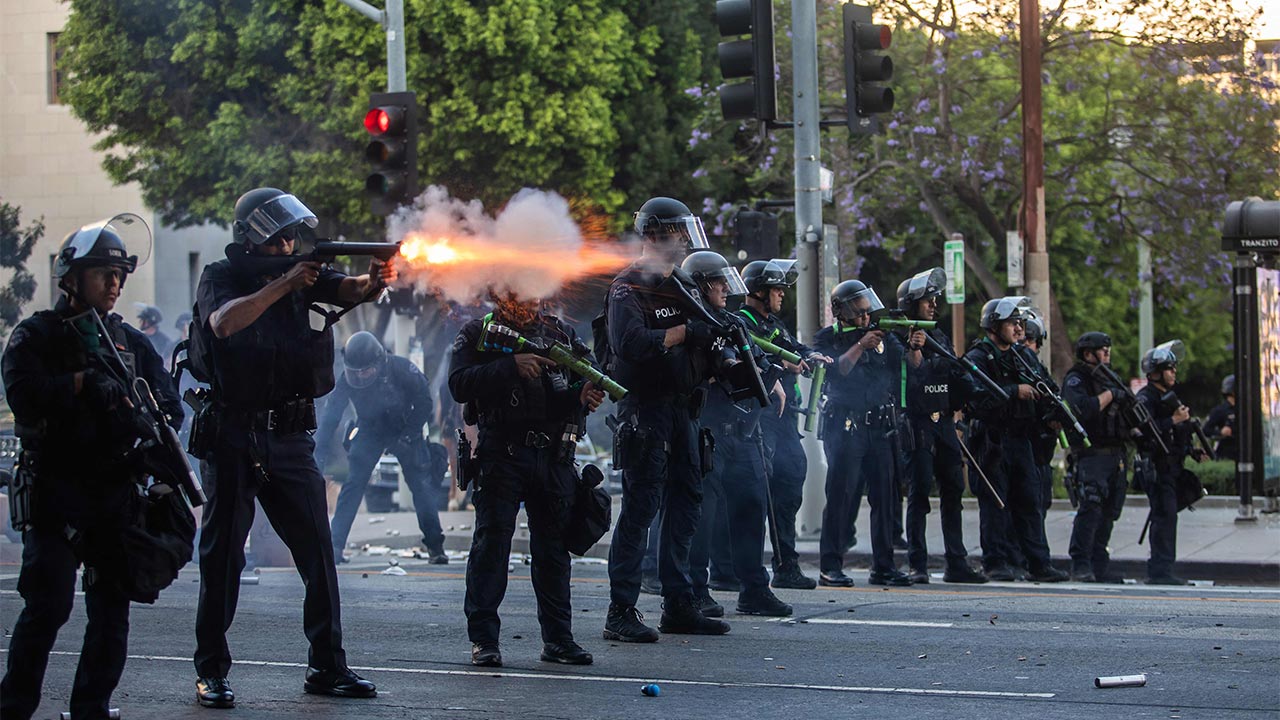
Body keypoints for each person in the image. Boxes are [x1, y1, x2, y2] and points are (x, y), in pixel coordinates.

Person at [192, 188, 391, 707]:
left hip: (288, 435)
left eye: (290, 236)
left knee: (318, 556)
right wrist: (282, 285)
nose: (288, 243)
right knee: (223, 560)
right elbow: (224, 323)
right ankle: (210, 671)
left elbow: (347, 288)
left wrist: (374, 281)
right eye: (279, 236)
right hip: (234, 433)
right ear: (254, 235)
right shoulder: (221, 276)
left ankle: (327, 666)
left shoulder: (303, 274)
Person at [1, 214, 184, 720]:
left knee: (111, 611)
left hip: (113, 496)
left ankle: (91, 708)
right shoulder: (37, 335)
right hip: (56, 494)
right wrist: (80, 385)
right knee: (48, 607)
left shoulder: (129, 342)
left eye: (120, 274)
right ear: (72, 276)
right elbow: (23, 394)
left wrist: (149, 420)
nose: (115, 283)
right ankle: (14, 707)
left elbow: (168, 404)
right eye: (104, 272)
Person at [449, 291, 604, 667]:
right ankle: (484, 640)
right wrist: (509, 367)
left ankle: (558, 639)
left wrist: (582, 396)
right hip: (503, 454)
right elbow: (459, 384)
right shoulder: (478, 332)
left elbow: (573, 386)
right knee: (492, 546)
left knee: (553, 552)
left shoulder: (561, 334)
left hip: (553, 456)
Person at [601, 196, 731, 642]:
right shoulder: (628, 287)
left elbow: (709, 336)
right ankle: (621, 610)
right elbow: (629, 344)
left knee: (687, 503)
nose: (683, 240)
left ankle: (679, 603)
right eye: (677, 232)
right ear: (656, 234)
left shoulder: (684, 286)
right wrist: (682, 334)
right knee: (641, 508)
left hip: (685, 412)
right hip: (647, 411)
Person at [683, 251, 792, 618]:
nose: (726, 288)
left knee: (752, 506)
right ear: (700, 287)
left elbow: (755, 361)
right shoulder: (692, 325)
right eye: (718, 282)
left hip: (743, 432)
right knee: (704, 517)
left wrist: (770, 379)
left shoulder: (730, 321)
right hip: (708, 433)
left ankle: (754, 590)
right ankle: (696, 591)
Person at [812, 280, 922, 587]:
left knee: (885, 498)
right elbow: (835, 370)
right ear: (841, 311)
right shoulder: (829, 338)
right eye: (858, 312)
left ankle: (884, 565)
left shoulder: (881, 336)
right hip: (846, 426)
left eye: (866, 311)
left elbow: (909, 366)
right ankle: (830, 564)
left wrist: (914, 347)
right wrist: (860, 345)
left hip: (880, 427)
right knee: (841, 496)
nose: (864, 317)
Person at [737, 259, 832, 590]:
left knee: (791, 484)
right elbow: (748, 361)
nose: (782, 295)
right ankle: (747, 573)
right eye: (777, 290)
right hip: (758, 421)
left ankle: (786, 564)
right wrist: (781, 364)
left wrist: (809, 355)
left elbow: (794, 347)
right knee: (757, 495)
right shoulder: (741, 323)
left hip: (785, 419)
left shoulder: (772, 322)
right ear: (759, 291)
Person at [963, 297, 1068, 583]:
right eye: (1012, 323)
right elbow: (975, 399)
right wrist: (1013, 391)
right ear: (994, 325)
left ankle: (1038, 563)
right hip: (992, 439)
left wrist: (1052, 413)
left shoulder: (1023, 356)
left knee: (1030, 501)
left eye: (1019, 323)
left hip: (1022, 439)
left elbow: (1045, 386)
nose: (1017, 328)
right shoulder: (979, 358)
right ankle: (995, 561)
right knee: (996, 504)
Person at [317, 331, 446, 564]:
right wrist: (318, 451)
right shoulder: (348, 380)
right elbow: (331, 414)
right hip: (370, 430)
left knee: (421, 486)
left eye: (365, 371)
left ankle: (436, 547)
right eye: (354, 372)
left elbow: (425, 401)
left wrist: (410, 433)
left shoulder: (402, 369)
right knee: (354, 484)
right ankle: (334, 546)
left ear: (379, 362)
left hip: (405, 429)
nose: (360, 376)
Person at [895, 268, 988, 585]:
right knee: (919, 496)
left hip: (945, 423)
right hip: (918, 425)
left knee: (954, 493)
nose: (934, 305)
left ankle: (956, 562)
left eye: (935, 299)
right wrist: (914, 347)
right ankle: (917, 565)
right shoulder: (900, 337)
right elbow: (911, 374)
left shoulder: (940, 336)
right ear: (911, 304)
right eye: (927, 300)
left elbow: (954, 374)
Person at [1061, 332, 1128, 583]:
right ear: (1089, 354)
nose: (1107, 355)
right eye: (1103, 350)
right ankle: (1081, 564)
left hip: (1115, 455)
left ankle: (1100, 564)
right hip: (1091, 454)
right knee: (1091, 508)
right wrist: (1110, 395)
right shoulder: (1077, 379)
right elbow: (1081, 409)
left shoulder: (1111, 378)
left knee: (1110, 511)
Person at [1136, 340, 1197, 585]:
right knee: (1163, 516)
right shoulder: (1146, 398)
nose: (1173, 373)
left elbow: (1179, 433)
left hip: (1172, 466)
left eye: (1173, 368)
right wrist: (1173, 419)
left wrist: (1192, 450)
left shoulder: (1170, 396)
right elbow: (1144, 431)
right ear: (1155, 373)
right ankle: (1159, 570)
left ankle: (1165, 567)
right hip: (1156, 467)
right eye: (1169, 368)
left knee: (1169, 516)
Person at [1022, 316, 1057, 519]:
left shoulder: (1039, 372)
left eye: (1029, 340)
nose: (1025, 346)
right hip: (1022, 451)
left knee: (1039, 508)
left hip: (1041, 455)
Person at [1203, 375, 1237, 462]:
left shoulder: (1245, 409)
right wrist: (1220, 432)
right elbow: (1206, 430)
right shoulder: (1220, 410)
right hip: (1227, 454)